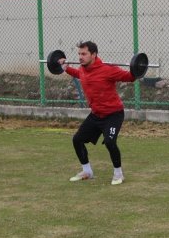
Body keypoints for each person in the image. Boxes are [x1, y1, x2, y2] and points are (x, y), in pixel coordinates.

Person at [59, 41, 137, 185]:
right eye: (79, 54)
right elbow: (78, 74)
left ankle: (118, 174)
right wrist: (66, 68)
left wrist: (137, 68)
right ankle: (87, 171)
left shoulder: (108, 70)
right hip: (96, 114)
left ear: (94, 55)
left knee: (109, 142)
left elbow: (131, 77)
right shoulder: (83, 69)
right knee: (77, 140)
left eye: (84, 54)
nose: (80, 57)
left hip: (113, 114)